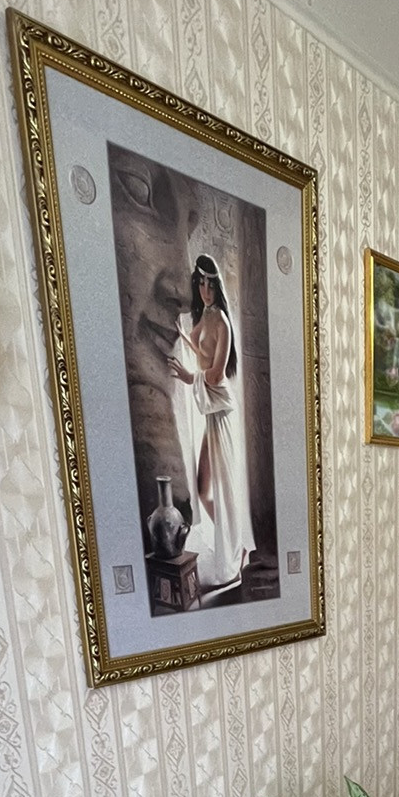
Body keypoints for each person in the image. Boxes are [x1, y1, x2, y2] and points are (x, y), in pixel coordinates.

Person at [168, 252, 254, 590]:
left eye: (211, 284)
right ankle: (233, 542)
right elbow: (201, 350)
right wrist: (181, 336)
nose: (206, 290)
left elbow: (216, 374)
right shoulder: (205, 316)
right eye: (201, 283)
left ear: (218, 286)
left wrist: (190, 377)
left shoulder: (222, 323)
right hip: (212, 410)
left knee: (223, 486)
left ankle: (236, 549)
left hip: (222, 410)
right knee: (203, 489)